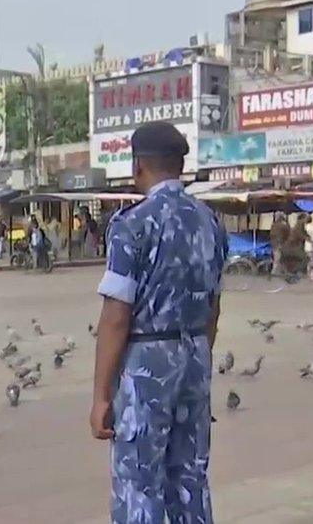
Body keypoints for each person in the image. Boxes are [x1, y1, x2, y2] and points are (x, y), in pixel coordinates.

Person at [91, 121, 227, 523]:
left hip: (147, 361)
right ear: (180, 166)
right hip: (195, 354)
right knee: (190, 478)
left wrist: (101, 396)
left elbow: (116, 317)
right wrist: (196, 361)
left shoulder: (132, 223)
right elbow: (215, 306)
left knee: (139, 481)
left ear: (138, 167)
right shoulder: (210, 222)